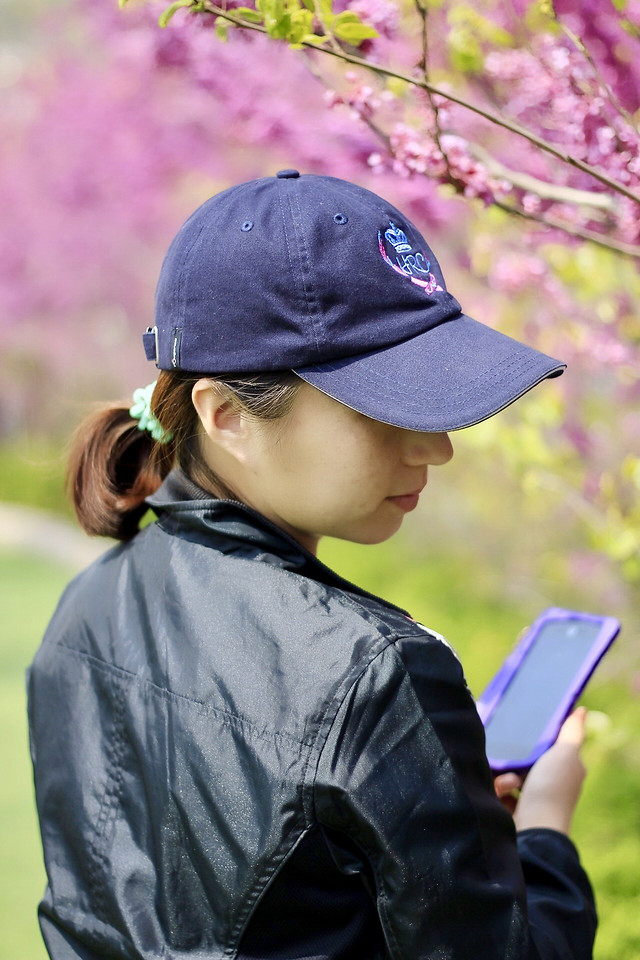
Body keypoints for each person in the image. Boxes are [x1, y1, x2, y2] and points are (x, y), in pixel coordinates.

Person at [28, 170, 596, 960]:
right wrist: (544, 837)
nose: (437, 446)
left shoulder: (85, 607)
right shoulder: (376, 674)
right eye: (381, 405)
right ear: (227, 416)